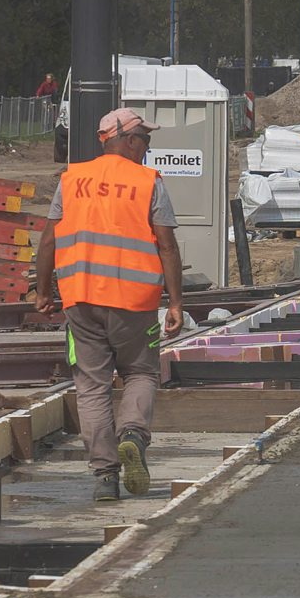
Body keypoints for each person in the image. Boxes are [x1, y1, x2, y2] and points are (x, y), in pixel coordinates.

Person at [37, 107, 186, 502]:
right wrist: (176, 303)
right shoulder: (147, 181)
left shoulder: (71, 180)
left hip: (80, 299)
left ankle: (105, 476)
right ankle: (133, 434)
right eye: (146, 140)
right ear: (129, 140)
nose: (148, 148)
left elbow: (48, 241)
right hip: (133, 301)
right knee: (141, 372)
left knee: (91, 385)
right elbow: (167, 246)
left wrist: (41, 292)